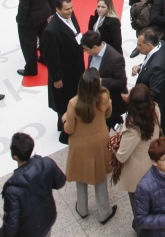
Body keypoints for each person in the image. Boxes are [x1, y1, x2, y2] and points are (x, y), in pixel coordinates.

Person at [63, 69, 115, 222]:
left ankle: (82, 208)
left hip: (79, 146)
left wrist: (65, 119)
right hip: (99, 142)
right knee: (100, 178)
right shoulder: (104, 97)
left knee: (81, 176)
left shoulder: (73, 103)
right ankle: (104, 212)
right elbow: (108, 114)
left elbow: (69, 129)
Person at [0, 132, 66, 237]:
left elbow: (11, 225)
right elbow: (60, 182)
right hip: (47, 219)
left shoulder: (12, 189)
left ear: (15, 156)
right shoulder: (47, 163)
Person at [115, 84, 162, 230]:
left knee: (138, 206)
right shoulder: (155, 109)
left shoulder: (132, 127)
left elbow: (122, 156)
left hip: (137, 174)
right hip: (152, 164)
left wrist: (115, 142)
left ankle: (142, 228)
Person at [42, 0, 85, 135]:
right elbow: (51, 57)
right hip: (64, 74)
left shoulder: (71, 16)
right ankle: (64, 128)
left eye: (71, 8)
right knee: (64, 103)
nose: (70, 11)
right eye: (66, 9)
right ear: (57, 10)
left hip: (76, 67)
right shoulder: (51, 31)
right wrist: (57, 78)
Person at [132, 28, 165, 137]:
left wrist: (136, 99)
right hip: (163, 100)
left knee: (161, 134)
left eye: (139, 45)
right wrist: (141, 66)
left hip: (157, 109)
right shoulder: (162, 44)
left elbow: (154, 93)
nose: (137, 48)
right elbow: (150, 60)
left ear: (149, 45)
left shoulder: (157, 67)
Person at [15, 0, 53, 77]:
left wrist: (20, 21)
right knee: (43, 39)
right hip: (43, 13)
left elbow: (23, 8)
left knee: (28, 45)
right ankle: (45, 59)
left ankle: (31, 69)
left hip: (30, 20)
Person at [81, 31, 126, 127]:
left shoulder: (115, 59)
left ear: (95, 47)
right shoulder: (92, 53)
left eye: (86, 49)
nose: (85, 52)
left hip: (109, 102)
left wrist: (102, 82)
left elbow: (121, 82)